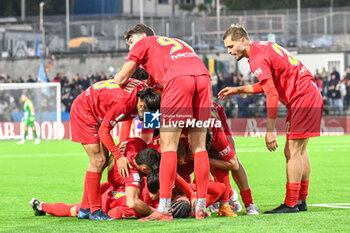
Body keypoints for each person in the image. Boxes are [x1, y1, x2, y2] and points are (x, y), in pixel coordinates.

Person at [219, 25, 323, 214]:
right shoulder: (263, 47)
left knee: (292, 151)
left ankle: (291, 203)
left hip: (302, 97)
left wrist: (270, 130)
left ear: (243, 40)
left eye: (231, 46)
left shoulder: (256, 58)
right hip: (308, 93)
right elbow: (269, 84)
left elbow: (272, 94)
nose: (229, 51)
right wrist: (238, 89)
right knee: (299, 151)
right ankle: (300, 200)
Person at [114, 24, 211, 220]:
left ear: (142, 36)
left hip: (177, 81)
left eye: (131, 42)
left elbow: (121, 78)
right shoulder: (176, 43)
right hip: (203, 77)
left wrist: (113, 80)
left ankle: (164, 208)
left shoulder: (145, 43)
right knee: (199, 147)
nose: (131, 48)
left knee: (169, 147)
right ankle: (200, 207)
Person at [70, 78, 161, 220]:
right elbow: (104, 132)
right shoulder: (124, 103)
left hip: (94, 110)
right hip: (85, 111)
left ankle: (85, 209)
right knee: (98, 160)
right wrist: (119, 156)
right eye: (148, 114)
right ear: (142, 105)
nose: (148, 119)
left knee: (102, 160)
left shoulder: (145, 93)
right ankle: (94, 211)